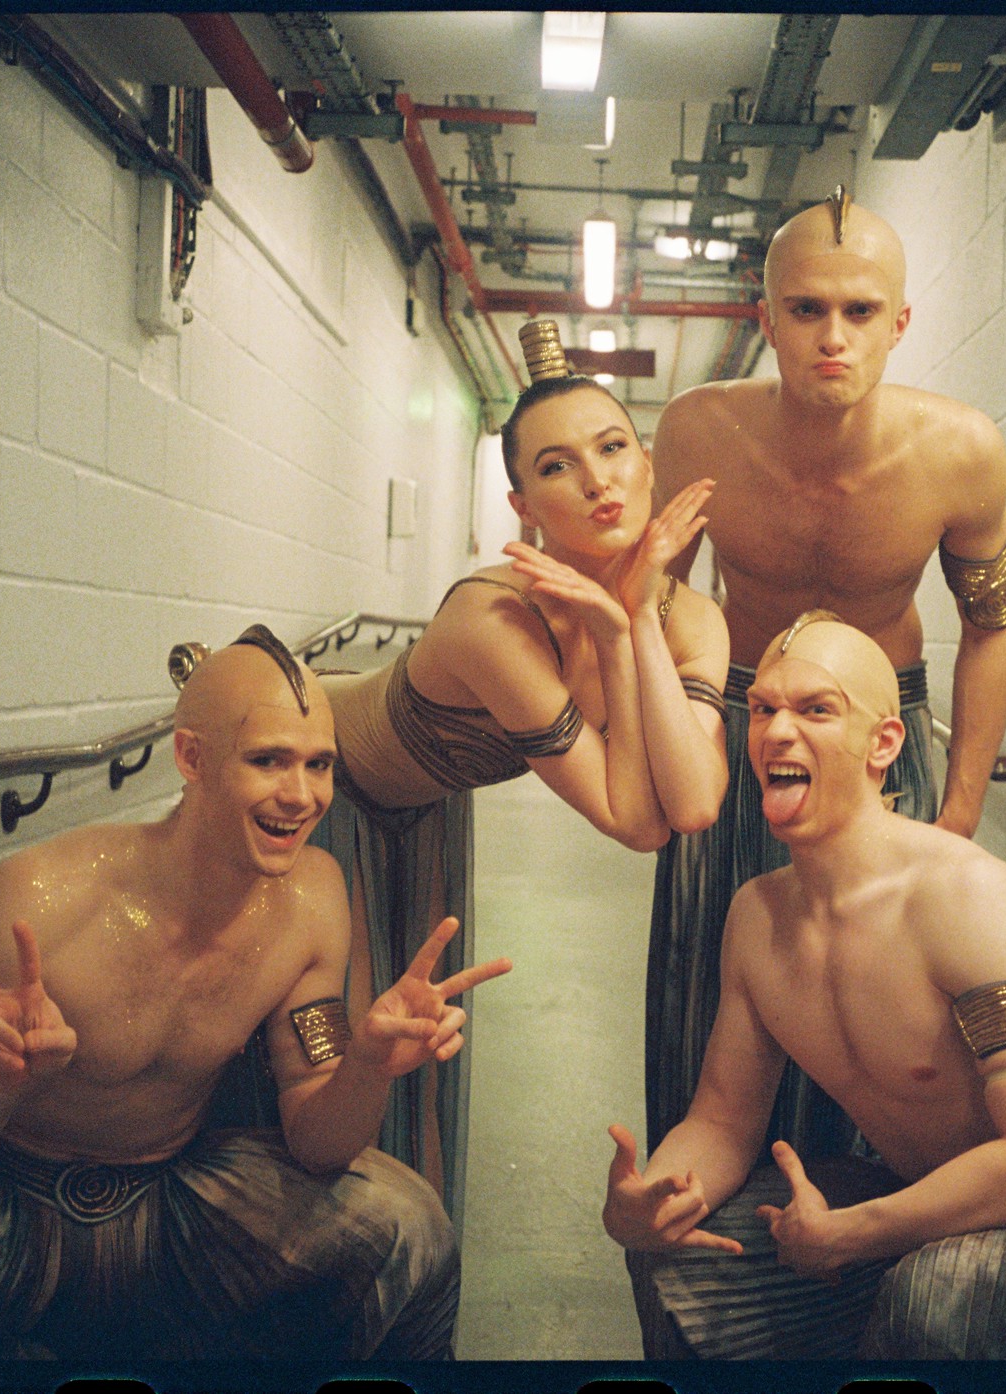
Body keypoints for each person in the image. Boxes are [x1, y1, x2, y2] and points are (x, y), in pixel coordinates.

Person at [0, 629, 510, 1362]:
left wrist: (368, 1067)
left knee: (411, 1225)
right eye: (268, 760)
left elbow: (318, 1141)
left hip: (175, 1200)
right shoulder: (41, 896)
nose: (301, 795)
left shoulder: (312, 898)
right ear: (191, 758)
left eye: (319, 764)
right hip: (0, 1200)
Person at [605, 614, 1006, 1361]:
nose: (777, 732)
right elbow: (721, 1121)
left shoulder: (974, 897)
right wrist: (651, 1204)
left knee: (937, 1294)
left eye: (816, 709)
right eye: (765, 708)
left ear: (883, 745)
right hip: (949, 1208)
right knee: (683, 1260)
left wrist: (849, 1233)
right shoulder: (757, 917)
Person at [295, 319, 730, 1225]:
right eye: (557, 466)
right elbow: (634, 820)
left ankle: (418, 1284)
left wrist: (631, 624)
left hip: (427, 807)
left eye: (613, 448)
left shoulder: (689, 619)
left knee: (420, 1059)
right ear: (522, 505)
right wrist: (620, 630)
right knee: (334, 1075)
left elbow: (690, 805)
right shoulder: (494, 621)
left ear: (648, 462)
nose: (598, 480)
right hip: (322, 796)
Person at [645, 187, 1006, 1158]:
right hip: (735, 716)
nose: (833, 337)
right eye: (806, 309)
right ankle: (696, 1200)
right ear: (766, 317)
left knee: (888, 1002)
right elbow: (649, 606)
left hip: (883, 732)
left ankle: (871, 1227)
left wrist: (960, 810)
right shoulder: (698, 431)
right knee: (707, 988)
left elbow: (992, 625)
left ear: (899, 322)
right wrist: (655, 754)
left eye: (859, 311)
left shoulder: (962, 450)